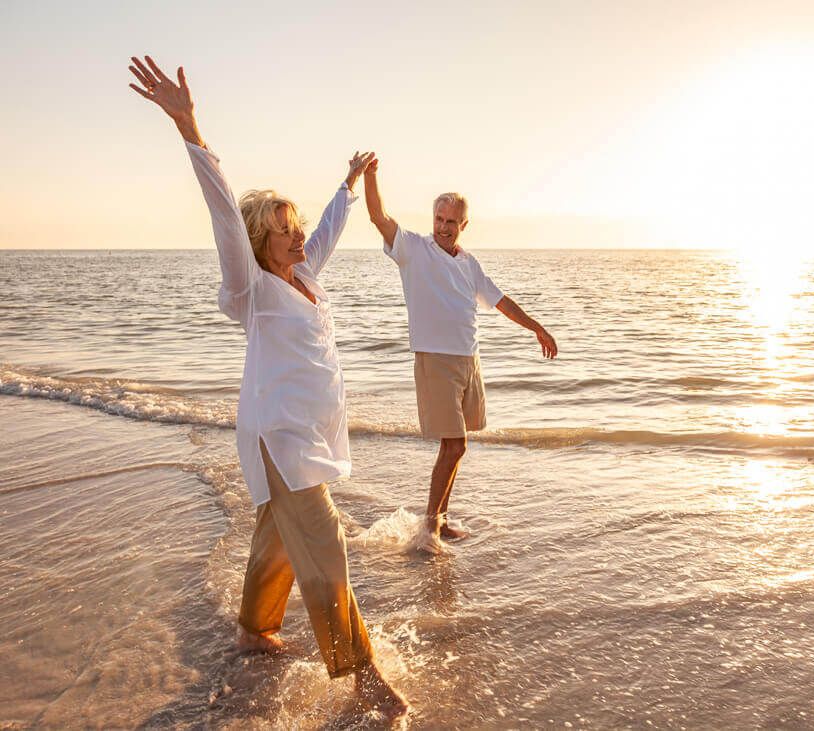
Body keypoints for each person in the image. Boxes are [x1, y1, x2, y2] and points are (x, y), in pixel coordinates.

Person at [127, 55, 408, 718]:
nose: (296, 234)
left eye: (295, 224)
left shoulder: (304, 277)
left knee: (279, 538)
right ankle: (361, 673)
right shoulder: (249, 289)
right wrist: (189, 127)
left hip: (305, 431)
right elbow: (226, 216)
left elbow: (331, 229)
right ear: (259, 241)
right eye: (281, 229)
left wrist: (346, 186)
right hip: (278, 436)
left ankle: (254, 628)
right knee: (322, 536)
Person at [362, 157, 558, 551]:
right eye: (439, 218)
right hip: (435, 359)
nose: (443, 227)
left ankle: (440, 520)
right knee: (455, 445)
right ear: (432, 218)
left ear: (463, 225)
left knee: (456, 444)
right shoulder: (414, 250)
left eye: (451, 221)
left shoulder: (469, 263)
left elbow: (501, 302)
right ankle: (430, 528)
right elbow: (378, 216)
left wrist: (536, 327)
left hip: (469, 360)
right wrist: (371, 176)